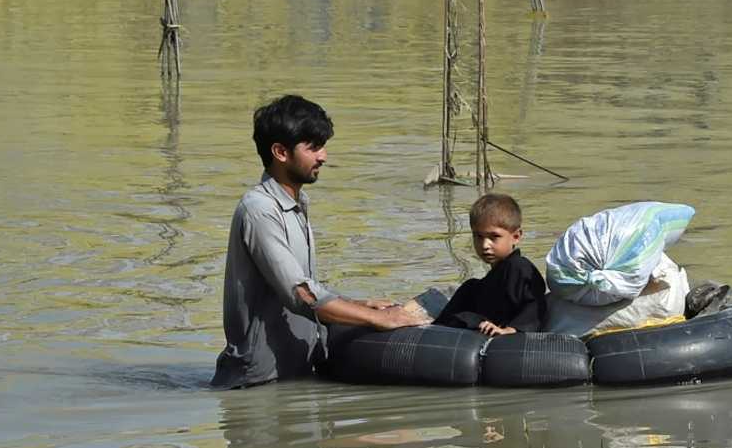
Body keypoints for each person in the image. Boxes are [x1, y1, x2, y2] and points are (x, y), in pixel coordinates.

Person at [213, 95, 427, 389]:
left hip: (294, 377)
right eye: (313, 147)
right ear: (280, 152)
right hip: (257, 386)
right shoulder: (259, 209)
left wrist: (359, 304)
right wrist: (382, 319)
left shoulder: (297, 203)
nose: (323, 156)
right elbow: (300, 294)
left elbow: (304, 287)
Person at [434, 193, 547, 336]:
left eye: (494, 237)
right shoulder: (475, 287)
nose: (485, 245)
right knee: (470, 287)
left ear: (516, 237)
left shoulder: (519, 268)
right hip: (475, 334)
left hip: (508, 339)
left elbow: (535, 304)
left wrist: (511, 330)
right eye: (478, 236)